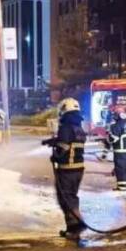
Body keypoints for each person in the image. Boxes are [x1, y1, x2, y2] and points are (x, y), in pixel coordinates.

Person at [43, 98, 88, 239]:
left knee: (66, 199)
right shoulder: (78, 127)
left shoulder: (65, 127)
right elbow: (70, 142)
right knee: (71, 197)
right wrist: (53, 142)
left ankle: (77, 225)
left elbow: (63, 148)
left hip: (67, 169)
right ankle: (72, 229)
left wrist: (55, 156)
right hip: (78, 169)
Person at [107, 106, 126, 191]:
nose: (114, 116)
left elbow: (112, 139)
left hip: (120, 151)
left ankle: (122, 186)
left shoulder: (117, 125)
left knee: (120, 169)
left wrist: (108, 133)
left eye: (115, 114)